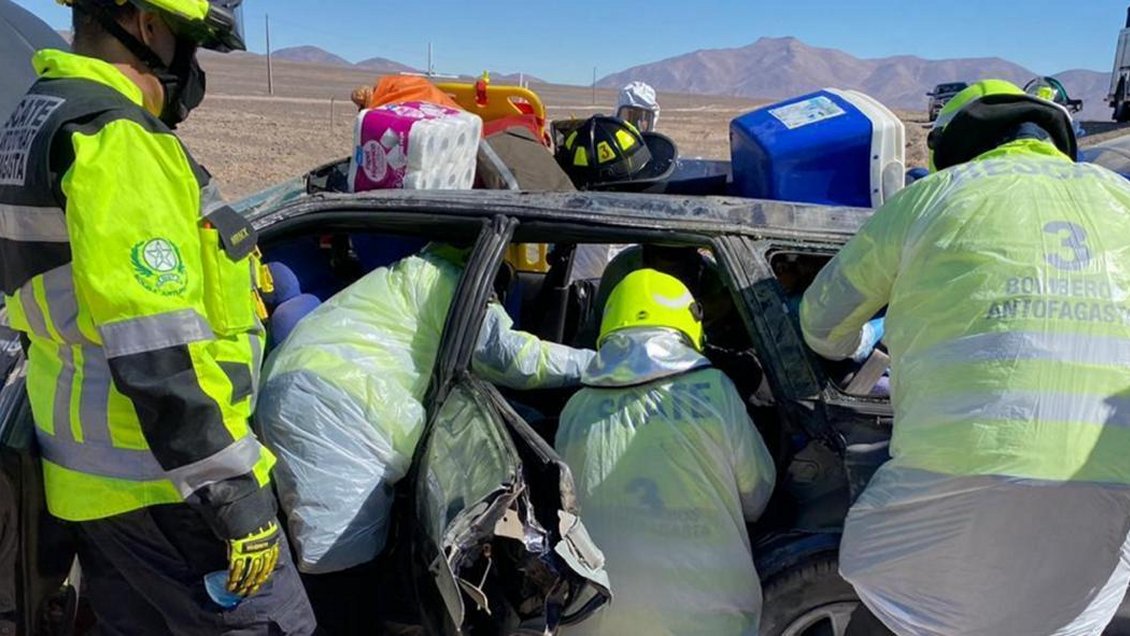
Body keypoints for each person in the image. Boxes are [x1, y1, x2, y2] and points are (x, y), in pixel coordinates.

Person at [0, 0, 315, 632]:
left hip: (97, 484)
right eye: (190, 43)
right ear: (147, 26)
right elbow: (155, 348)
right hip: (170, 487)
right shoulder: (117, 139)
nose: (192, 68)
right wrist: (232, 495)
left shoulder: (36, 121)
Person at [800, 79, 1130, 636]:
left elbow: (821, 324)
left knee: (891, 615)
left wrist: (873, 334)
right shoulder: (1121, 198)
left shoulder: (932, 197)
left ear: (952, 146)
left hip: (945, 487)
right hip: (1107, 502)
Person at [256, 242, 595, 632]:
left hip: (308, 396)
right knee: (339, 573)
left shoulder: (411, 276)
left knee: (341, 564)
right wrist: (599, 364)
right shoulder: (447, 283)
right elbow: (512, 358)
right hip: (337, 413)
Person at [555, 269, 775, 636]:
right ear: (687, 326)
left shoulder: (575, 408)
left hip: (595, 619)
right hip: (713, 621)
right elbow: (757, 496)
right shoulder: (715, 390)